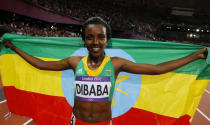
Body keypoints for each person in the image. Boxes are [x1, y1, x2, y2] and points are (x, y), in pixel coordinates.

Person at [3, 17, 207, 125]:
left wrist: (193, 57)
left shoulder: (116, 64)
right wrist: (14, 48)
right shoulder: (75, 62)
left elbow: (157, 69)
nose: (95, 42)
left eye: (100, 37)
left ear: (107, 40)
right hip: (77, 121)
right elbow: (41, 65)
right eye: (90, 37)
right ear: (84, 39)